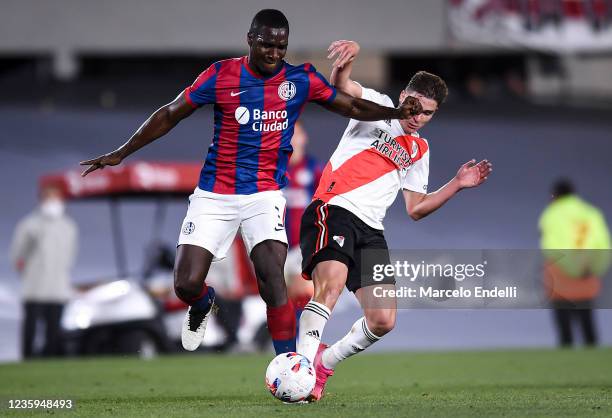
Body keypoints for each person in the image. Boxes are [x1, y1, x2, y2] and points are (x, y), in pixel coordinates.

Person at [79, 10, 422, 355]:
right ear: (250, 39)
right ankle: (202, 304)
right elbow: (171, 113)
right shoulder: (221, 74)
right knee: (185, 284)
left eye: (281, 47)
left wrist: (395, 114)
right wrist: (122, 152)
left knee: (273, 279)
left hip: (264, 194)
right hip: (214, 194)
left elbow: (352, 105)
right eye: (267, 45)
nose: (274, 54)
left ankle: (289, 364)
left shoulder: (299, 79)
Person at [297, 40, 493, 401]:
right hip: (334, 209)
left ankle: (325, 361)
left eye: (428, 113)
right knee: (331, 287)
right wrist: (347, 62)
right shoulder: (380, 106)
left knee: (383, 320)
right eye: (415, 106)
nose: (418, 117)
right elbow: (343, 87)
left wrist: (457, 184)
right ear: (404, 95)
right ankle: (303, 372)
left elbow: (416, 208)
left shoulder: (420, 149)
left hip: (371, 231)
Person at [539, 179, 611, 347]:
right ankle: (593, 364)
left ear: (555, 195)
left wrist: (571, 267)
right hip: (587, 272)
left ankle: (566, 363)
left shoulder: (552, 214)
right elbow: (603, 244)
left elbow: (550, 245)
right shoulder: (591, 213)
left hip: (560, 275)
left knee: (565, 330)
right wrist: (594, 268)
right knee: (588, 325)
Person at [10, 184, 78, 358]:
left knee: (53, 330)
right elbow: (17, 256)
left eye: (56, 198)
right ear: (41, 200)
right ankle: (27, 359)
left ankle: (50, 361)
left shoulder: (69, 227)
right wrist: (26, 273)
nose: (53, 202)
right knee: (31, 328)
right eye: (49, 198)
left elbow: (70, 257)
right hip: (34, 287)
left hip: (58, 288)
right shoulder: (28, 225)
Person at [283, 121, 322, 319]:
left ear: (303, 138)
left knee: (304, 293)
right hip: (277, 245)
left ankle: (303, 343)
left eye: (295, 134)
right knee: (279, 298)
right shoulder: (273, 170)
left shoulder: (313, 169)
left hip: (302, 245)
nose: (291, 139)